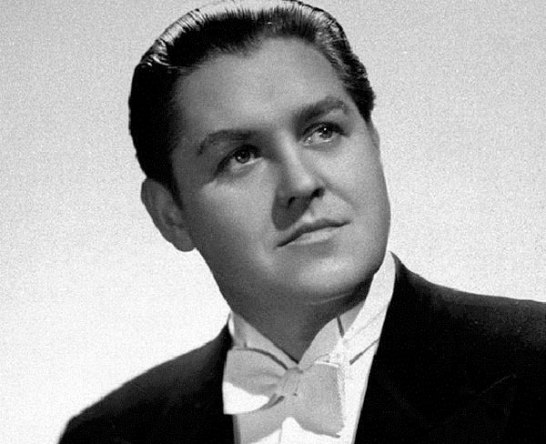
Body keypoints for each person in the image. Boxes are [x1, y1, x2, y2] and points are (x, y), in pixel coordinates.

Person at [59, 1, 546, 442]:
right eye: (241, 156)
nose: (300, 182)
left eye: (323, 131)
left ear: (373, 142)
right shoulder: (108, 436)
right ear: (171, 215)